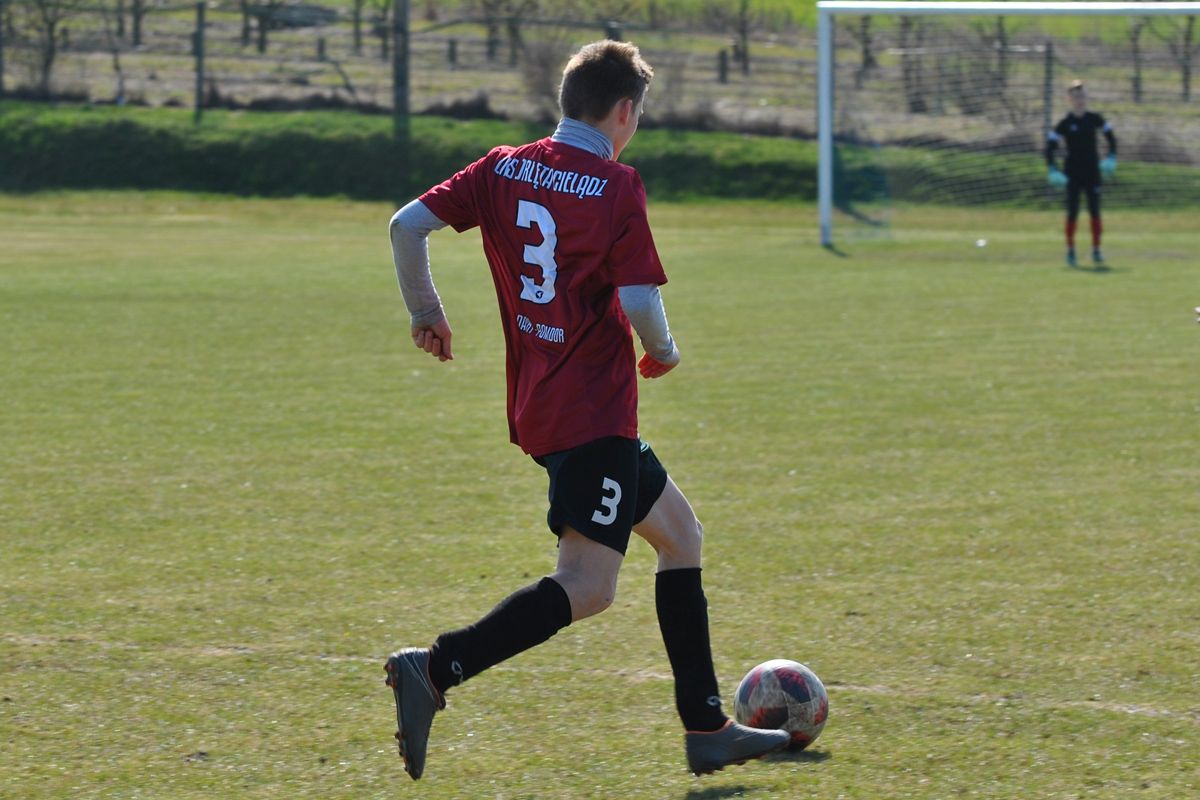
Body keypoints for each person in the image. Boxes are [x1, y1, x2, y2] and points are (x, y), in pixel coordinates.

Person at [383, 40, 791, 781]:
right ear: (626, 112)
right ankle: (436, 667)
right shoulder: (615, 185)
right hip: (593, 412)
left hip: (541, 405)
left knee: (681, 535)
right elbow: (638, 298)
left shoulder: (501, 167)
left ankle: (706, 728)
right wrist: (664, 350)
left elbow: (405, 226)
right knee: (590, 585)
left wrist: (426, 312)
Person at [1045, 79, 1117, 267]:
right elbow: (1050, 147)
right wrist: (1052, 168)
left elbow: (1111, 138)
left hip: (1093, 173)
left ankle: (1096, 249)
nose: (1080, 100)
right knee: (1072, 212)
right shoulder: (1064, 123)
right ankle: (1070, 250)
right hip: (1072, 174)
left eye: (1082, 95)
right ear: (1069, 99)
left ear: (1086, 98)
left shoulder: (1095, 119)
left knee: (1095, 211)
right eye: (1076, 96)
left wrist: (1111, 157)